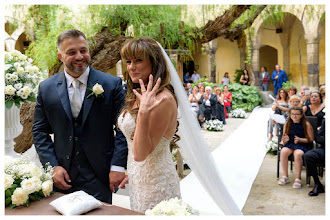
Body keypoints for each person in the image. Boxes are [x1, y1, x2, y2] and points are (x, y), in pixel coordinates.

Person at [32, 29, 128, 203]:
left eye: (83, 50)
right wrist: (52, 166)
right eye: (71, 52)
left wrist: (117, 166)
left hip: (100, 175)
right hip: (62, 177)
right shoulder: (46, 88)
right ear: (60, 56)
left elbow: (123, 128)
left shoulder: (111, 84)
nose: (79, 56)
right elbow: (39, 131)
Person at [117, 36, 181, 213]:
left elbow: (141, 154)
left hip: (156, 183)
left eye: (138, 60)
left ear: (155, 63)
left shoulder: (164, 100)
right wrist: (132, 172)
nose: (131, 67)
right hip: (139, 179)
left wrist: (144, 112)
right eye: (129, 61)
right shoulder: (140, 94)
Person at [278, 107, 314, 189]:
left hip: (302, 144)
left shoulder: (306, 124)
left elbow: (311, 139)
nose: (294, 116)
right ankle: (285, 176)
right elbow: (284, 137)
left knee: (297, 154)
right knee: (283, 151)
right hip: (291, 144)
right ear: (290, 115)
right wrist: (284, 140)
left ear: (301, 115)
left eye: (297, 114)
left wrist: (300, 139)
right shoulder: (287, 123)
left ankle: (298, 178)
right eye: (292, 114)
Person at [304, 118, 325, 196]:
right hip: (325, 149)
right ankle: (317, 184)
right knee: (309, 155)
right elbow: (319, 137)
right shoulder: (325, 121)